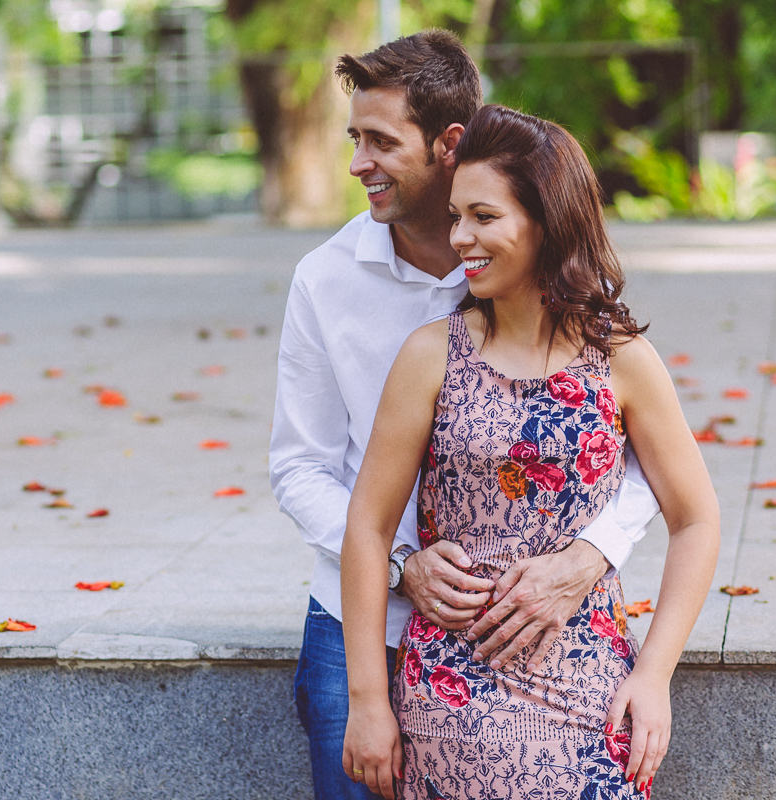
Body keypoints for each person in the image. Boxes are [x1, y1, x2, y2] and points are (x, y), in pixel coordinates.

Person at [269, 32, 660, 800]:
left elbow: (636, 448)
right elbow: (298, 465)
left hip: (529, 635)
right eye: (355, 139)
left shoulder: (533, 272)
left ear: (449, 144)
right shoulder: (323, 282)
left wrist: (589, 557)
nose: (357, 163)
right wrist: (399, 562)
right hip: (366, 629)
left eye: (380, 141)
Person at [339, 104, 721, 800]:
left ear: (547, 220)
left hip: (591, 702)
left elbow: (696, 519)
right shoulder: (429, 356)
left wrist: (654, 676)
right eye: (457, 216)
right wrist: (369, 699)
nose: (460, 237)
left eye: (483, 217)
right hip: (448, 708)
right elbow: (366, 528)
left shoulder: (623, 361)